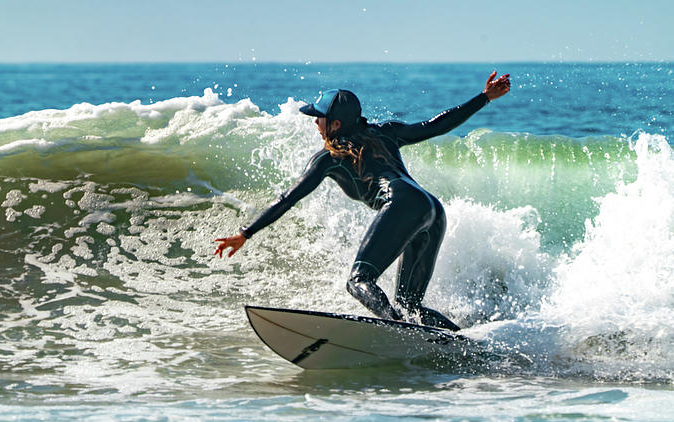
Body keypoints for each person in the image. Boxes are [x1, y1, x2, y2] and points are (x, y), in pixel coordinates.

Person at [214, 71, 511, 331]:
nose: (316, 123)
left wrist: (245, 233)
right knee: (410, 306)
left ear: (336, 124)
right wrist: (484, 98)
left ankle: (397, 330)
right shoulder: (385, 133)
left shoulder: (329, 159)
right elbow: (435, 126)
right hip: (431, 209)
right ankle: (462, 343)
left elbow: (288, 198)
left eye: (320, 118)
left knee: (358, 281)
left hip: (402, 205)